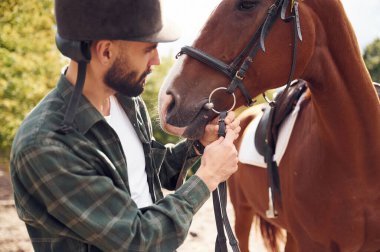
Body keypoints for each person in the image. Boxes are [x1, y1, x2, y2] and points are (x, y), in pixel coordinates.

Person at [10, 0, 241, 251]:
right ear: (106, 51)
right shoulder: (46, 145)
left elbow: (152, 171)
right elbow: (137, 239)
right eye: (148, 49)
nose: (156, 61)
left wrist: (199, 144)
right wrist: (208, 176)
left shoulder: (126, 101)